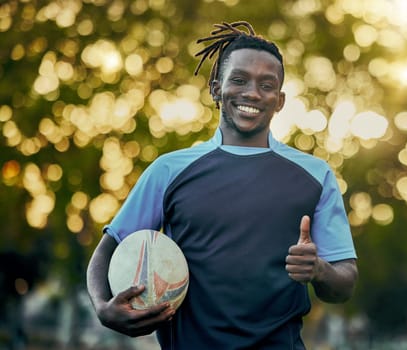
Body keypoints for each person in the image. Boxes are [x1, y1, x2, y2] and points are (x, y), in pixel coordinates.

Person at [86, 21, 358, 349]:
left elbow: (344, 284)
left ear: (280, 100)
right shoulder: (169, 171)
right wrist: (103, 307)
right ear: (215, 88)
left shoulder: (315, 175)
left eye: (266, 84)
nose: (252, 93)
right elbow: (108, 248)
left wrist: (318, 270)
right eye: (239, 80)